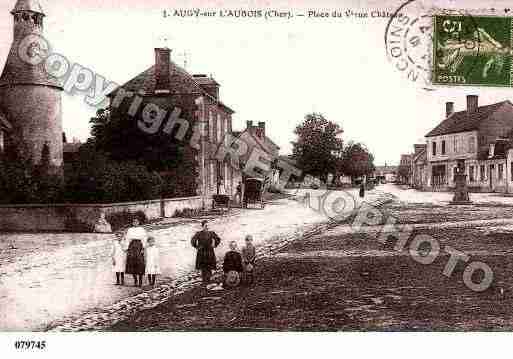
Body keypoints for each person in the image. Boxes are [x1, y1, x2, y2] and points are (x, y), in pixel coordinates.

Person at [191, 220, 221, 286]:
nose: (207, 227)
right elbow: (193, 241)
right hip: (202, 253)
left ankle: (209, 280)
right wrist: (197, 247)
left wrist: (214, 245)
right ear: (202, 226)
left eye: (208, 226)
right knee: (203, 268)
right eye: (206, 226)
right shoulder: (198, 233)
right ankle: (204, 281)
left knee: (209, 267)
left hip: (210, 252)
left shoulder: (211, 233)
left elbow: (218, 239)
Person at [125, 218, 147, 287]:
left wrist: (143, 248)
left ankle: (140, 281)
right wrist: (127, 248)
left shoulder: (142, 230)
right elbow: (127, 239)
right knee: (132, 263)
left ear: (139, 222)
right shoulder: (130, 230)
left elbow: (144, 239)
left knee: (140, 263)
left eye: (136, 222)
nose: (135, 223)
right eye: (134, 222)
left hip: (139, 245)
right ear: (132, 223)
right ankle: (135, 280)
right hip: (132, 246)